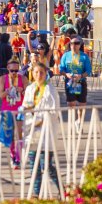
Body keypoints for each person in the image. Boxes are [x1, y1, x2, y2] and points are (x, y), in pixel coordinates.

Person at [21, 61, 61, 195]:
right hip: (32, 132)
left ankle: (62, 190)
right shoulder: (30, 89)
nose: (38, 75)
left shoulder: (50, 90)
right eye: (36, 72)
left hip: (45, 131)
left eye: (41, 72)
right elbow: (26, 106)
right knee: (34, 167)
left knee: (47, 166)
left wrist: (41, 120)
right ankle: (36, 194)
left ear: (46, 74)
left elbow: (54, 110)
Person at [58, 36, 92, 109]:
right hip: (69, 82)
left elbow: (88, 70)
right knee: (71, 103)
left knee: (82, 104)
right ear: (70, 45)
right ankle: (71, 119)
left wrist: (81, 76)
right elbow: (61, 69)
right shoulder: (66, 55)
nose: (74, 45)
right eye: (72, 43)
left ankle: (80, 119)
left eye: (76, 43)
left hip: (81, 82)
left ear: (80, 45)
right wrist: (66, 74)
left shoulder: (84, 56)